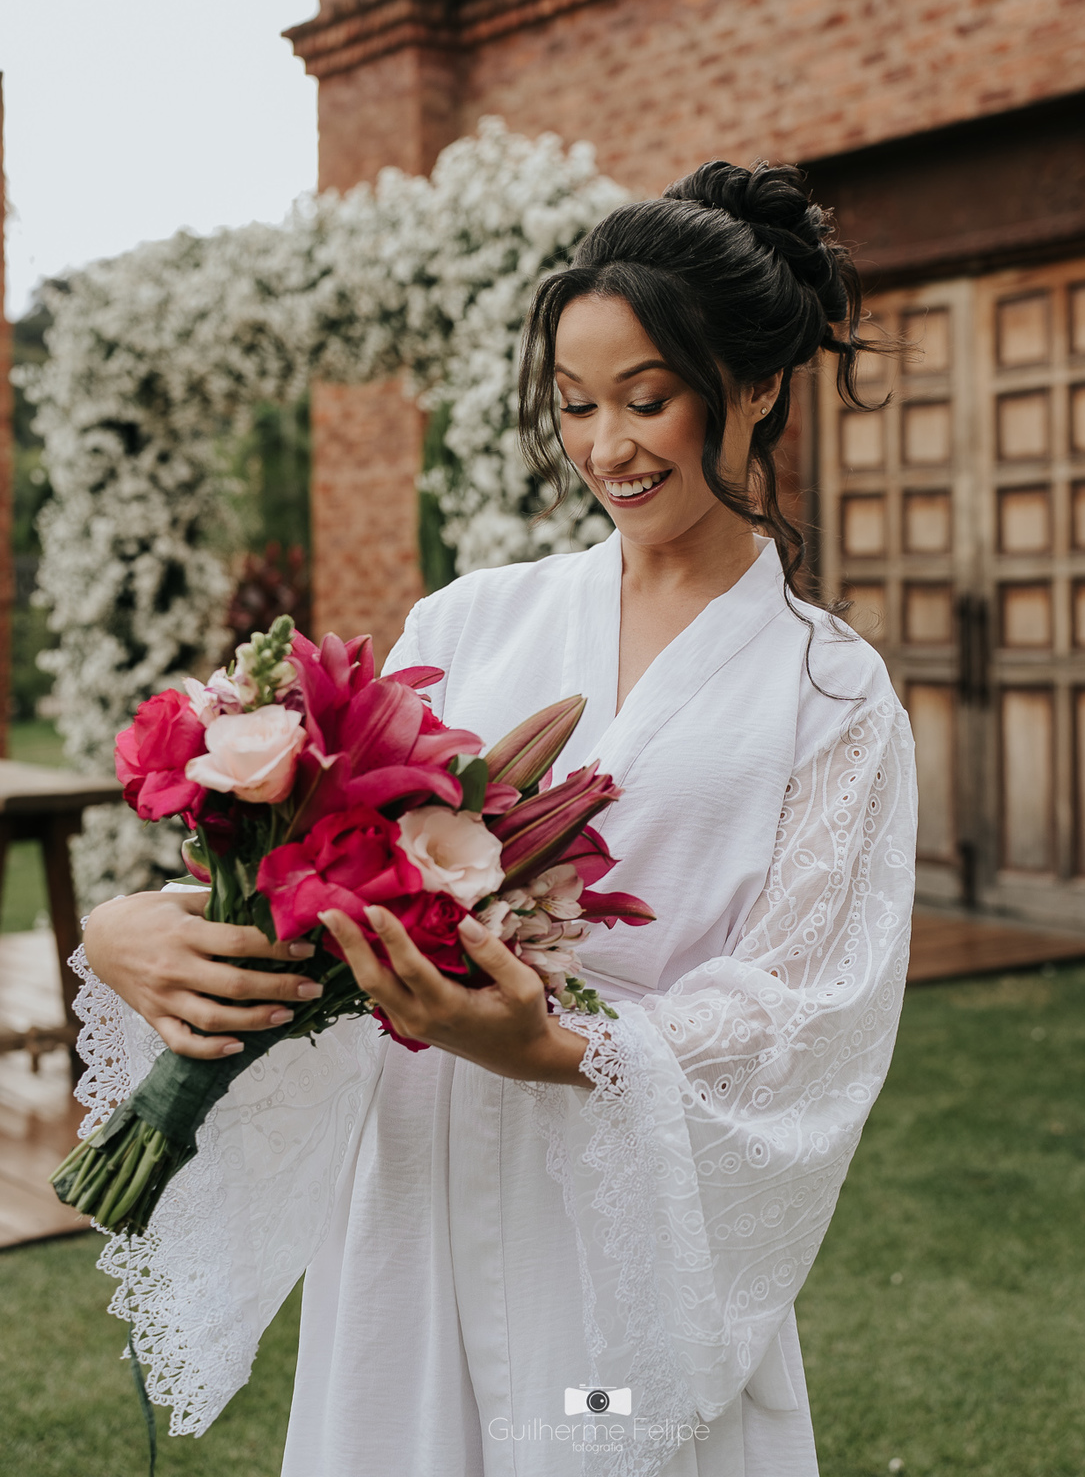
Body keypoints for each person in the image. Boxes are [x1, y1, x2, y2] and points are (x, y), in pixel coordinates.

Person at [78, 160, 917, 1477]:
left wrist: (568, 1046)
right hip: (414, 1201)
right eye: (577, 405)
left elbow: (806, 1007)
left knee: (595, 1436)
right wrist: (141, 927)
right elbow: (344, 866)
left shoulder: (831, 694)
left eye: (648, 398)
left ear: (757, 386)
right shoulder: (472, 621)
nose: (607, 447)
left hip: (619, 1222)